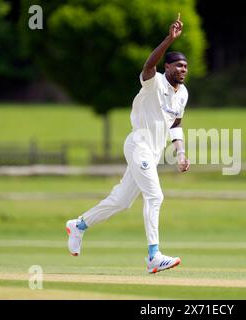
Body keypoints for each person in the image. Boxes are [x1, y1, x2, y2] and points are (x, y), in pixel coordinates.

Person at [66, 14, 190, 274]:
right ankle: (153, 256)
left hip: (153, 152)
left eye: (185, 66)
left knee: (121, 201)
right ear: (167, 67)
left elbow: (175, 125)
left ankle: (79, 225)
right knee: (155, 196)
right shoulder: (152, 82)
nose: (183, 70)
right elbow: (148, 64)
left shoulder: (183, 94)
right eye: (178, 65)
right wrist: (169, 40)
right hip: (139, 144)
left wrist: (180, 153)